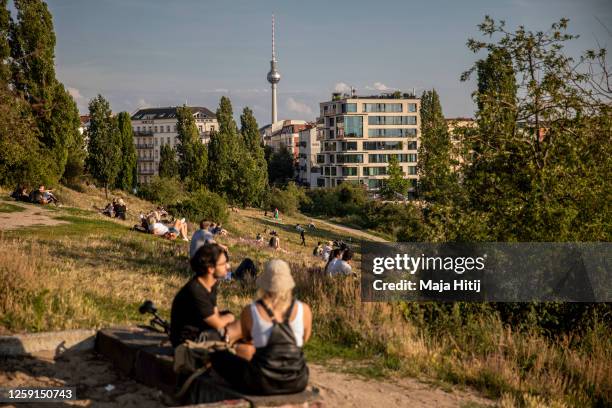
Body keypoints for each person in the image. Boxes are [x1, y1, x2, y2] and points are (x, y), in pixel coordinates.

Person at [209, 259, 312, 395]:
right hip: (297, 380)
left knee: (219, 356)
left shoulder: (251, 311)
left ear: (264, 284)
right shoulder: (304, 310)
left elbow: (247, 339)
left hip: (262, 382)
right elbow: (304, 340)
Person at [170, 243, 240, 348]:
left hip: (201, 329)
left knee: (235, 323)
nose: (228, 266)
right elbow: (218, 323)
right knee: (241, 329)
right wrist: (231, 318)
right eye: (223, 263)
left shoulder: (211, 284)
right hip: (187, 341)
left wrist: (228, 318)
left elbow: (215, 313)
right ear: (210, 268)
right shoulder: (195, 290)